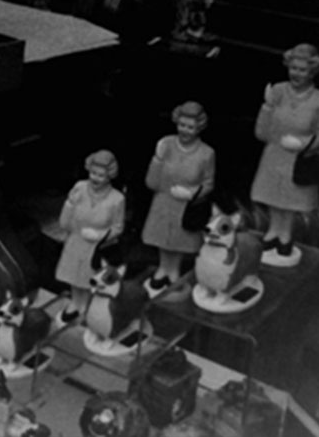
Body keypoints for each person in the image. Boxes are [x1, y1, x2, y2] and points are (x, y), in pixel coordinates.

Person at [251, 43, 319, 266]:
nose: (296, 73)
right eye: (293, 68)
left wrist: (302, 144)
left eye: (302, 70)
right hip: (274, 156)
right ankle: (273, 231)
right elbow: (261, 133)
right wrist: (267, 106)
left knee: (289, 200)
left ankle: (285, 235)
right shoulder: (277, 91)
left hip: (297, 161)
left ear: (312, 72)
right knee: (273, 198)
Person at [142, 101, 215, 298]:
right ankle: (162, 268)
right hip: (163, 201)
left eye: (190, 127)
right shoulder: (166, 144)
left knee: (178, 239)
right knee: (163, 238)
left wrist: (192, 193)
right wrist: (158, 159)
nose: (185, 130)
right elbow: (151, 182)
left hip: (185, 207)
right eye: (182, 125)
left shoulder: (207, 153)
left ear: (199, 127)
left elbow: (209, 183)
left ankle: (173, 270)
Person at [55, 150, 125, 325]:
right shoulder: (79, 187)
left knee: (88, 277)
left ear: (109, 176)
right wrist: (70, 203)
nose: (95, 178)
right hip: (76, 240)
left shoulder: (117, 199)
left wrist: (99, 235)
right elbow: (64, 223)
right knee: (73, 276)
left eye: (101, 175)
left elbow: (118, 228)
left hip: (96, 248)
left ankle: (86, 306)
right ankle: (75, 303)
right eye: (93, 173)